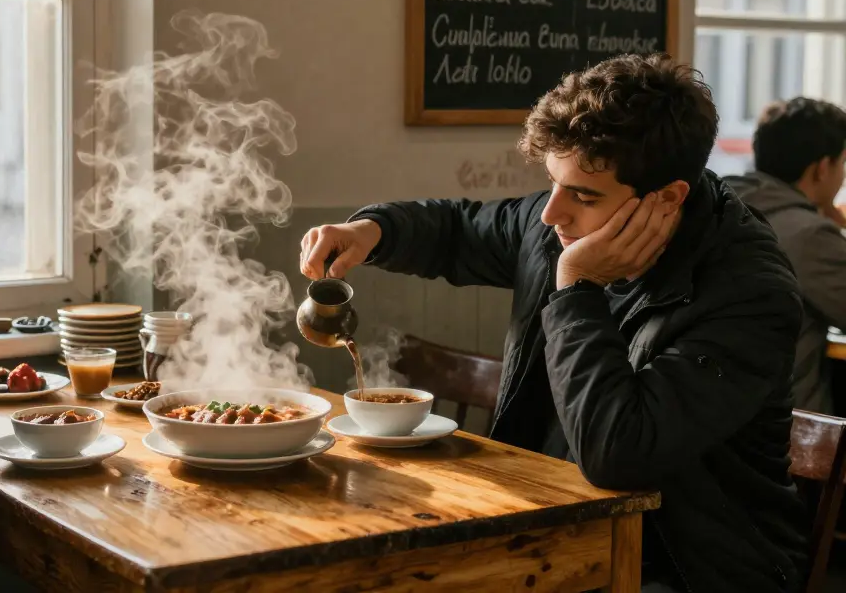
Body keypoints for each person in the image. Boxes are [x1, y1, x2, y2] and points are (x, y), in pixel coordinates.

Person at [300, 55, 807, 593]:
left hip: (689, 566)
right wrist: (369, 230)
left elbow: (618, 453)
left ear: (668, 198)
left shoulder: (749, 294)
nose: (550, 213)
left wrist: (577, 287)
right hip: (558, 525)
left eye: (583, 196)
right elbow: (457, 229)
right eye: (553, 183)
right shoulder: (563, 222)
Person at [725, 98, 846, 416]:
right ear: (821, 168)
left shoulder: (725, 206)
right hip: (786, 434)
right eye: (842, 163)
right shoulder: (809, 235)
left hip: (711, 420)